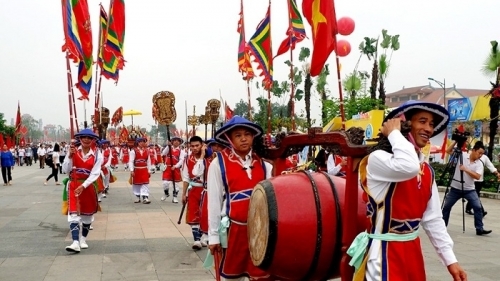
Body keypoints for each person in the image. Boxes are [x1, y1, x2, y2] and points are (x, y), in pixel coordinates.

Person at [351, 101, 467, 281]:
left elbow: (433, 218)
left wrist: (451, 261)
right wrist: (395, 133)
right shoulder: (378, 159)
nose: (428, 129)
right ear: (403, 123)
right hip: (384, 255)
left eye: (431, 124)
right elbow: (408, 166)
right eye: (422, 121)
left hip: (412, 252)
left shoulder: (426, 170)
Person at [207, 116, 275, 281]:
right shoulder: (218, 164)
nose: (244, 139)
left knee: (261, 275)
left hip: (260, 232)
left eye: (247, 134)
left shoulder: (265, 165)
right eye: (238, 135)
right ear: (229, 139)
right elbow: (214, 202)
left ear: (253, 137)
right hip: (234, 231)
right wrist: (213, 236)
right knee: (232, 276)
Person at [62, 129, 102, 253]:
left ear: (93, 140)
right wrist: (69, 157)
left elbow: (95, 173)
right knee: (73, 214)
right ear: (80, 138)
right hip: (73, 185)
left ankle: (82, 239)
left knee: (87, 216)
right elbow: (65, 169)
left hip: (88, 185)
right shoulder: (73, 151)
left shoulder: (97, 154)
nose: (86, 139)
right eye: (84, 137)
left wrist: (83, 186)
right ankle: (75, 242)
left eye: (89, 138)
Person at [442, 140, 492, 236]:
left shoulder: (479, 163)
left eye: (482, 154)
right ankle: (442, 227)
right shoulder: (462, 155)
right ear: (473, 150)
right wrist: (456, 141)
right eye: (479, 153)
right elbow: (448, 151)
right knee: (446, 207)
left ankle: (479, 229)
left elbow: (477, 176)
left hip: (469, 190)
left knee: (477, 207)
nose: (480, 155)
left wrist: (466, 169)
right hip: (455, 189)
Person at [182, 136, 209, 250]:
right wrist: (184, 194)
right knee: (193, 214)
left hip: (207, 190)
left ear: (202, 145)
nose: (194, 148)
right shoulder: (187, 159)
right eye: (192, 146)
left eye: (197, 145)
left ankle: (204, 236)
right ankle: (196, 239)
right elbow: (186, 178)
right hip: (193, 190)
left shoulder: (210, 158)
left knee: (206, 214)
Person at [465, 143, 500, 216]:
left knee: (475, 195)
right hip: (470, 180)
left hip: (479, 181)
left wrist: (497, 173)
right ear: (474, 150)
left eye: (482, 152)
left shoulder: (484, 157)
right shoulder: (468, 155)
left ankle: (468, 208)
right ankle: (481, 211)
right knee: (476, 196)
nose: (480, 154)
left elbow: (490, 166)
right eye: (479, 151)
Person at [161, 136, 186, 203]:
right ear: (172, 142)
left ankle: (175, 197)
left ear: (180, 143)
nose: (176, 142)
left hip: (175, 168)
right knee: (165, 183)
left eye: (178, 141)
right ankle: (166, 193)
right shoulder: (169, 148)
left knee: (176, 184)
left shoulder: (181, 151)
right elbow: (163, 153)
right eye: (174, 140)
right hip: (167, 168)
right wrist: (168, 146)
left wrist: (176, 166)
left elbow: (181, 160)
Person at [129, 138, 153, 204]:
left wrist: (149, 170)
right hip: (137, 169)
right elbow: (131, 161)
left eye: (143, 142)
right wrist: (131, 170)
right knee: (137, 184)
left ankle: (145, 197)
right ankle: (138, 196)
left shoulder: (147, 151)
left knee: (145, 183)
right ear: (138, 143)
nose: (142, 143)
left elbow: (149, 161)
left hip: (144, 169)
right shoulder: (133, 151)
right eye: (141, 142)